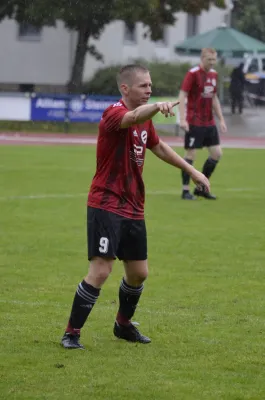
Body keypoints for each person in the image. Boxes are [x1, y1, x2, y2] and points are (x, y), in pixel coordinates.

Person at [61, 64, 210, 349]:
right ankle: (71, 332)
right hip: (106, 203)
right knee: (101, 270)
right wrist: (155, 107)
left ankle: (123, 325)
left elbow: (159, 146)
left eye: (151, 85)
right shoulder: (114, 114)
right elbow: (133, 117)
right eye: (143, 86)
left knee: (139, 273)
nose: (149, 89)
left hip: (133, 206)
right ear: (125, 89)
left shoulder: (145, 118)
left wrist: (193, 171)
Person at [178, 48, 227, 201]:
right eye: (209, 60)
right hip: (194, 121)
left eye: (214, 60)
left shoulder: (214, 74)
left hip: (209, 122)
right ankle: (185, 190)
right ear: (202, 58)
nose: (212, 63)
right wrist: (182, 119)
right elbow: (182, 94)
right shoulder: (192, 73)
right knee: (191, 154)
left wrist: (221, 119)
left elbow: (214, 98)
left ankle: (201, 188)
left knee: (216, 153)